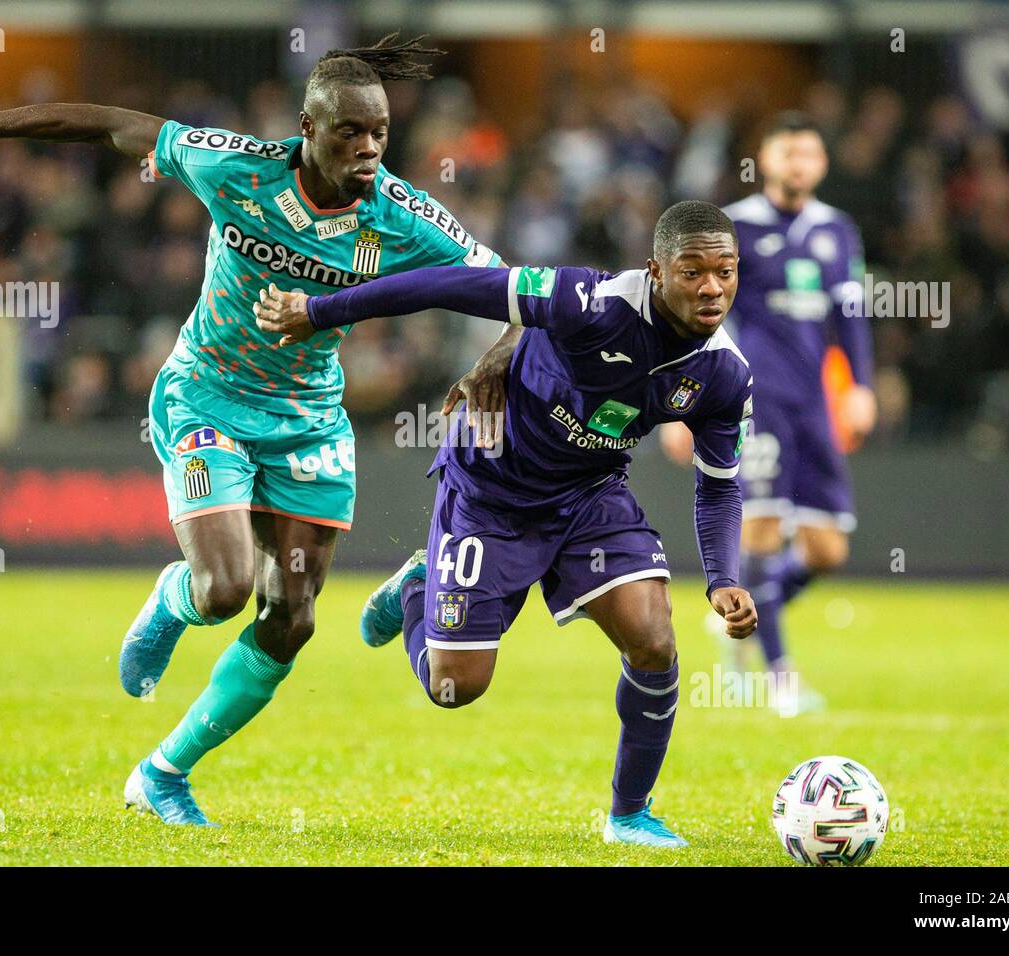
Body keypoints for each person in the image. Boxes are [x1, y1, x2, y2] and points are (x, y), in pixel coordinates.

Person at [0, 33, 519, 826]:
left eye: (381, 134)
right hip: (207, 399)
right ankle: (171, 600)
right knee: (222, 591)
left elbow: (518, 292)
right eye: (349, 133)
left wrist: (493, 362)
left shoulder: (400, 216)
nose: (368, 149)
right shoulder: (234, 164)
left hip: (310, 421)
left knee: (291, 618)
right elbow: (106, 123)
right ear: (306, 128)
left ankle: (163, 772)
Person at [256, 200, 757, 847]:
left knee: (654, 638)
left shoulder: (724, 374)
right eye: (693, 271)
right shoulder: (590, 301)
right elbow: (451, 284)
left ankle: (629, 814)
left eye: (726, 271)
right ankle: (417, 590)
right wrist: (319, 311)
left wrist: (723, 579)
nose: (712, 287)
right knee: (453, 688)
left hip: (587, 494)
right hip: (490, 487)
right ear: (656, 271)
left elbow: (719, 488)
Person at [659, 113, 874, 715]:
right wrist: (683, 404)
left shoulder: (838, 230)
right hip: (752, 402)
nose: (798, 164)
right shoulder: (736, 230)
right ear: (766, 159)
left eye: (809, 154)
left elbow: (850, 318)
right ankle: (778, 676)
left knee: (827, 549)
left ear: (822, 164)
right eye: (787, 153)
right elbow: (694, 321)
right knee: (759, 529)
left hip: (815, 405)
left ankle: (739, 612)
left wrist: (859, 385)